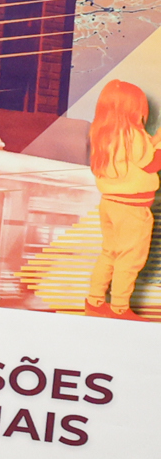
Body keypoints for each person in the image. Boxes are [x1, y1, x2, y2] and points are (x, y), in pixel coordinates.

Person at [84, 79, 157, 319]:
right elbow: (151, 164)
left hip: (111, 204)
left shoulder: (104, 133)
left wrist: (155, 141)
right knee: (131, 258)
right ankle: (119, 308)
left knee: (110, 253)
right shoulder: (133, 134)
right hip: (132, 209)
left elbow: (136, 157)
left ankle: (94, 301)